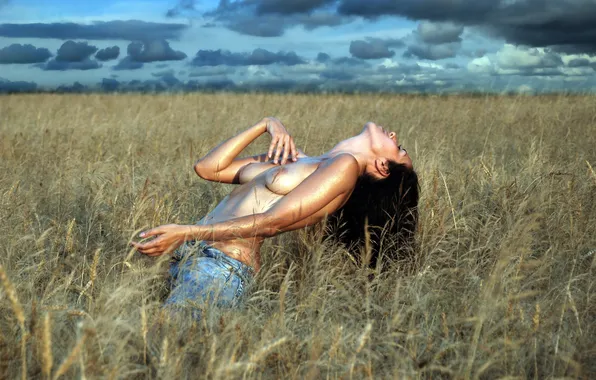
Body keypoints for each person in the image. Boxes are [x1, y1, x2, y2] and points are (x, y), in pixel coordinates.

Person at [131, 117, 419, 316]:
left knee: (169, 351)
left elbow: (272, 223)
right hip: (191, 254)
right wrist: (266, 124)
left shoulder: (346, 167)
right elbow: (209, 168)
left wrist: (186, 231)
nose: (393, 135)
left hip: (221, 268)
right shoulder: (304, 160)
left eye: (399, 147)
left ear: (383, 166)